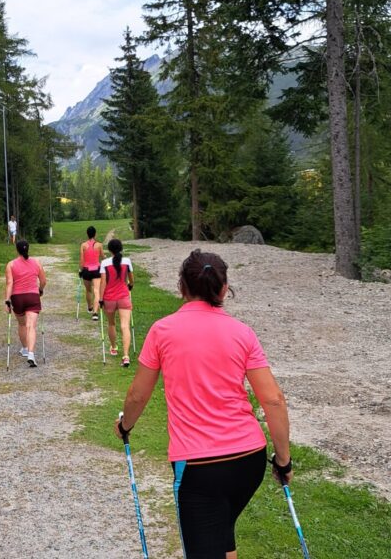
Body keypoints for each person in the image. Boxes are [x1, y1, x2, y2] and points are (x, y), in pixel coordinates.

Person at [115, 250, 292, 559]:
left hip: (199, 466)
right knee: (222, 536)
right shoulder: (242, 332)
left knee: (209, 541)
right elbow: (273, 400)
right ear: (223, 289)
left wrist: (124, 426)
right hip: (248, 460)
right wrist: (283, 460)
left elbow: (137, 396)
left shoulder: (162, 330)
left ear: (181, 287)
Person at [4, 239, 47, 367]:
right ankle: (31, 354)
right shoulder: (37, 263)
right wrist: (40, 290)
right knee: (31, 326)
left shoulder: (11, 265)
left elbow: (9, 284)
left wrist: (7, 300)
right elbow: (43, 281)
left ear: (17, 250)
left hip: (18, 298)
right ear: (28, 248)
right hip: (33, 296)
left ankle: (25, 348)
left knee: (22, 324)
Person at [98, 238, 134, 367]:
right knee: (125, 326)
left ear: (109, 250)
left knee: (111, 324)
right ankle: (126, 356)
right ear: (121, 248)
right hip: (123, 296)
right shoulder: (127, 261)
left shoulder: (104, 263)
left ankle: (113, 347)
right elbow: (131, 279)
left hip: (109, 298)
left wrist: (100, 299)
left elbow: (103, 282)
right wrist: (130, 285)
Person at [78, 226, 105, 321]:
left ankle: (90, 307)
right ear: (95, 234)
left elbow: (82, 260)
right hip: (96, 270)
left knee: (88, 290)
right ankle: (95, 313)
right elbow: (102, 257)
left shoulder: (83, 245)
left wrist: (80, 270)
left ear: (87, 234)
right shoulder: (99, 245)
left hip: (86, 270)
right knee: (96, 291)